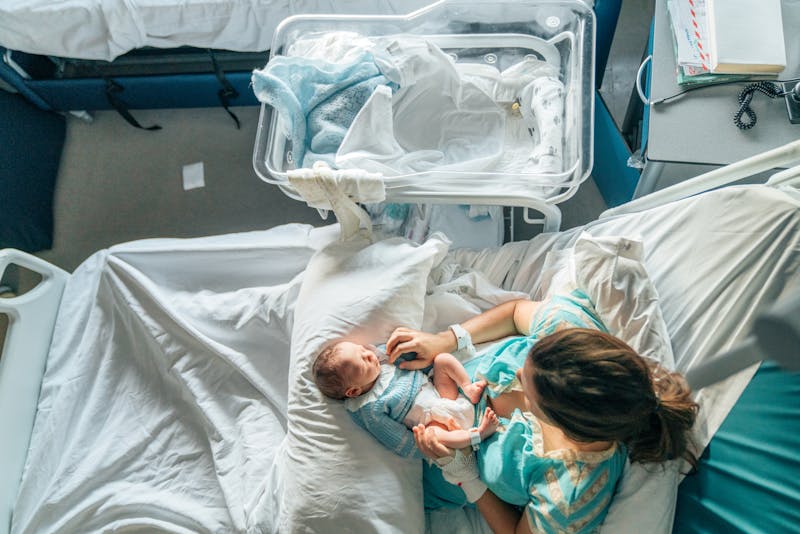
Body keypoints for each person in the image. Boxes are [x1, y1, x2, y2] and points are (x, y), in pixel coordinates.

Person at [386, 290, 699, 534]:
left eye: (529, 393)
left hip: (410, 474)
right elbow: (515, 312)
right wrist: (445, 340)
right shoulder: (571, 339)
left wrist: (465, 474)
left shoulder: (570, 491)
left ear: (559, 422)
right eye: (526, 361)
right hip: (412, 383)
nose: (519, 375)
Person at [312, 340, 500, 457]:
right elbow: (397, 440)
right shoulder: (369, 409)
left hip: (442, 394)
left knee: (442, 360)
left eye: (362, 350)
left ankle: (469, 388)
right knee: (432, 437)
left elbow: (414, 359)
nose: (368, 355)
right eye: (362, 362)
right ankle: (478, 434)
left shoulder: (385, 363)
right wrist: (425, 446)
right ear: (353, 391)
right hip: (433, 421)